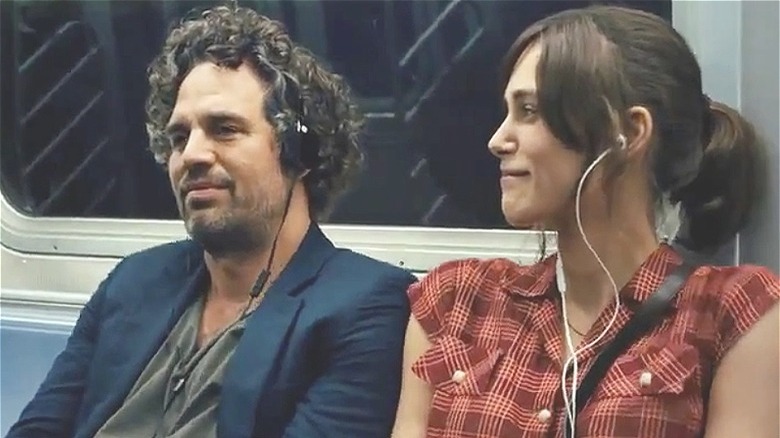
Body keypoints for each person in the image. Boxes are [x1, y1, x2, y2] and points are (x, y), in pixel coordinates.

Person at [7, 5, 414, 438]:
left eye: (224, 129)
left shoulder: (365, 306)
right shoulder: (134, 282)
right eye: (180, 137)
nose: (192, 156)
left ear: (302, 152)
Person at [392, 5, 779, 438]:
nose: (498, 139)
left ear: (629, 133)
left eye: (530, 111)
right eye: (508, 111)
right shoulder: (455, 301)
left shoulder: (732, 312)